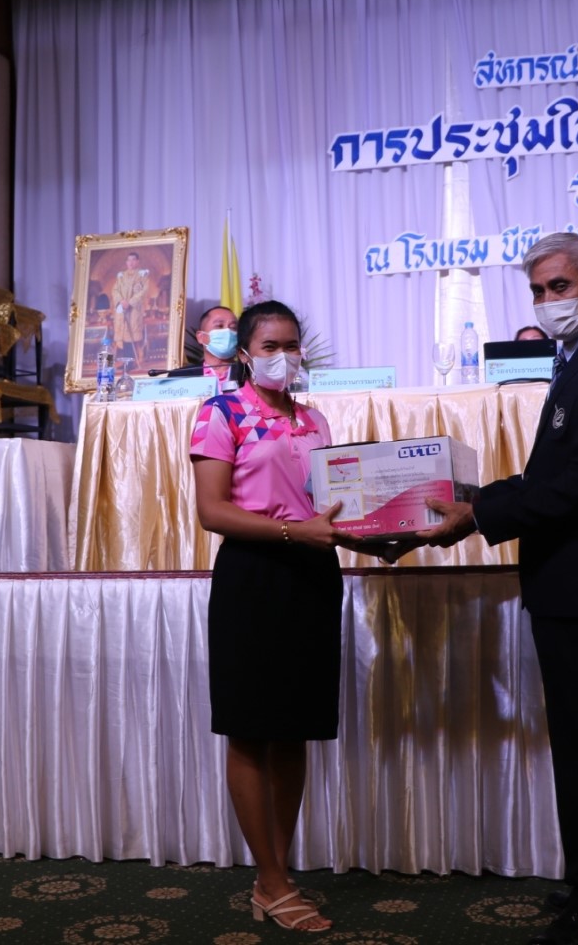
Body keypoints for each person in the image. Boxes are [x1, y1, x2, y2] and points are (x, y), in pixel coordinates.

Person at [417, 233, 578, 945]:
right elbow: (550, 477)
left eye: (559, 286)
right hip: (564, 578)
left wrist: (478, 514)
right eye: (537, 291)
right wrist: (478, 502)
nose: (547, 301)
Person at [190, 300, 403, 934]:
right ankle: (273, 879)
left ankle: (273, 875)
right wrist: (293, 533)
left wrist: (379, 534)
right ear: (245, 354)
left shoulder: (314, 419)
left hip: (312, 576)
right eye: (270, 346)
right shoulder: (221, 413)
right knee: (250, 729)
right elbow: (212, 511)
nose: (282, 356)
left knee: (294, 730)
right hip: (254, 576)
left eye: (291, 345)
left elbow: (332, 509)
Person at [111, 251, 151, 363]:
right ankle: (126, 362)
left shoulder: (142, 275)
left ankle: (132, 362)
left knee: (132, 335)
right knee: (123, 335)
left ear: (137, 261)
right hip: (122, 309)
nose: (131, 262)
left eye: (133, 260)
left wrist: (130, 302)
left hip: (134, 310)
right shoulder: (121, 276)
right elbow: (115, 290)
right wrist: (121, 301)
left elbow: (144, 291)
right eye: (129, 260)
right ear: (126, 262)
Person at [195, 304, 242, 381]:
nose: (227, 331)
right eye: (219, 326)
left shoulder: (250, 375)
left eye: (233, 327)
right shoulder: (180, 376)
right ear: (201, 337)